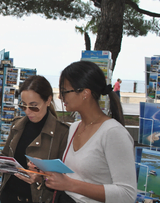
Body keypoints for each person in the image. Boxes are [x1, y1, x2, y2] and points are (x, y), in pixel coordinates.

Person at [43, 61, 136, 203]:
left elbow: (127, 194)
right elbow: (76, 175)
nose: (61, 97)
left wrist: (70, 184)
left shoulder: (113, 133)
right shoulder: (74, 128)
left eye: (64, 91)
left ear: (85, 93)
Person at [0, 75, 70, 203]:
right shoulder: (17, 125)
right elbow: (5, 156)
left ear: (48, 101)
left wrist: (41, 177)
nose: (28, 111)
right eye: (23, 106)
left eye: (34, 106)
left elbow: (66, 178)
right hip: (8, 197)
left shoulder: (62, 133)